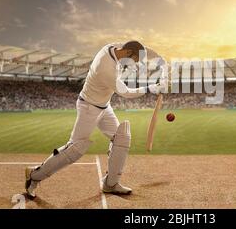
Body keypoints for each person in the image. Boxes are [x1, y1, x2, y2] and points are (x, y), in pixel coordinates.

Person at [24, 41, 167, 199]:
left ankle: (111, 184)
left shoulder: (117, 46)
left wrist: (161, 61)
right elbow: (125, 92)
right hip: (89, 108)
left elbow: (142, 48)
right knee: (75, 149)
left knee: (122, 138)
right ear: (128, 54)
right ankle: (34, 176)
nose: (134, 65)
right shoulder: (105, 67)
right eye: (134, 61)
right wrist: (153, 88)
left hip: (104, 106)